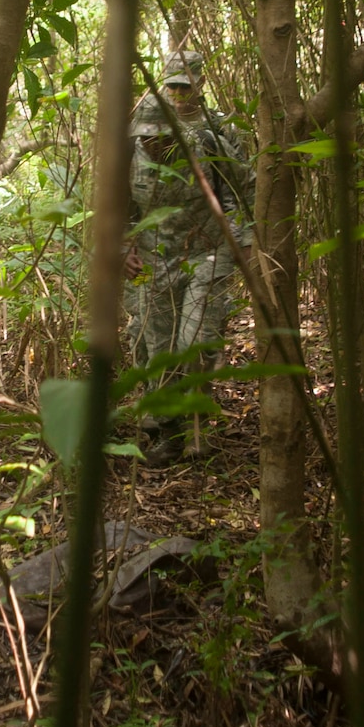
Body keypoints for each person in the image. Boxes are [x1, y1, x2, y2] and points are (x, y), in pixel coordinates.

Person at [124, 51, 253, 466]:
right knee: (156, 349)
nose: (150, 144)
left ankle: (194, 412)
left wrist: (245, 243)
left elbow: (240, 191)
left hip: (207, 253)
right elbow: (117, 208)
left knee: (194, 341)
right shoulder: (131, 151)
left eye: (157, 137)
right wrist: (122, 247)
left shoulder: (209, 140)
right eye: (143, 137)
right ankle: (171, 435)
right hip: (152, 260)